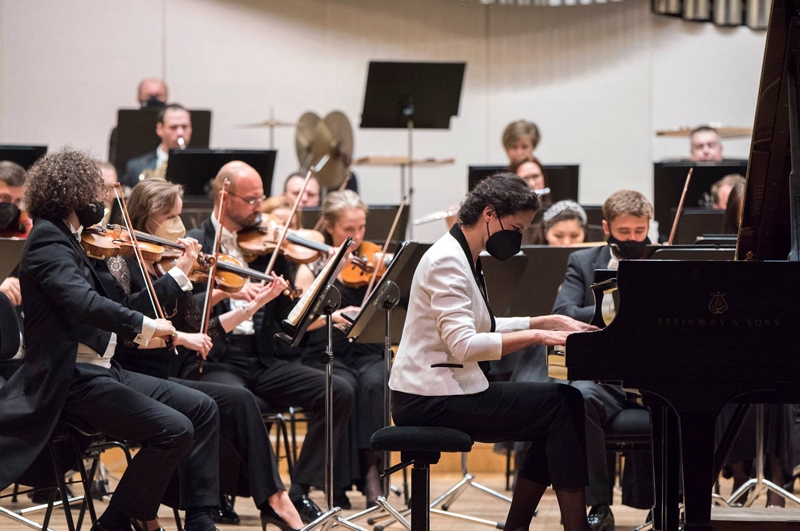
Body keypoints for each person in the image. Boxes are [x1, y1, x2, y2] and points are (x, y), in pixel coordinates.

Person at [0, 149, 221, 531]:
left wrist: (176, 282)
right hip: (69, 380)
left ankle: (199, 518)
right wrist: (148, 327)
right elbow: (84, 303)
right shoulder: (48, 241)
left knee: (202, 408)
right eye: (95, 192)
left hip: (103, 370)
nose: (101, 201)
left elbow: (121, 305)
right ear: (72, 195)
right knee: (174, 429)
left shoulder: (79, 241)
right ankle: (117, 522)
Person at [389, 172, 594, 531]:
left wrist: (548, 321)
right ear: (488, 214)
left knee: (561, 406)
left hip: (445, 389)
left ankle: (523, 526)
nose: (517, 238)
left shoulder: (464, 253)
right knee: (563, 404)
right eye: (515, 228)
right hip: (428, 397)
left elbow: (484, 325)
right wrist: (537, 336)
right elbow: (465, 345)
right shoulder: (447, 260)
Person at [107, 178, 304, 530]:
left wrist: (252, 306)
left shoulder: (163, 263)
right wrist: (181, 280)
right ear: (148, 217)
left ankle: (274, 499)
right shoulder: (122, 262)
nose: (179, 225)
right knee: (203, 408)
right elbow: (126, 328)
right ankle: (184, 513)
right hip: (129, 378)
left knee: (239, 400)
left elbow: (202, 328)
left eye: (180, 215)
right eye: (171, 216)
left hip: (165, 378)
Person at [183, 160, 355, 523]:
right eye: (251, 201)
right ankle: (244, 496)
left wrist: (309, 273)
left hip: (260, 358)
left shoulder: (267, 244)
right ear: (224, 196)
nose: (260, 209)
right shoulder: (194, 244)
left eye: (262, 199)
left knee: (337, 389)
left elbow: (285, 319)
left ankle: (300, 490)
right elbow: (185, 313)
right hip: (214, 357)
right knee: (236, 399)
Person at [552, 190, 656, 530]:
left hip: (653, 375)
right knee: (578, 397)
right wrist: (614, 306)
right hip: (603, 380)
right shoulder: (582, 262)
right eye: (624, 233)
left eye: (639, 231)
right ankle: (598, 505)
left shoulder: (663, 261)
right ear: (606, 227)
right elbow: (563, 313)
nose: (632, 239)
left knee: (690, 395)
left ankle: (668, 501)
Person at [292, 190, 386, 508]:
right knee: (344, 387)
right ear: (330, 226)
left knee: (374, 383)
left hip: (367, 350)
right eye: (349, 229)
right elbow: (300, 322)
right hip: (326, 350)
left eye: (361, 228)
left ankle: (373, 471)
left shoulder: (372, 261)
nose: (357, 237)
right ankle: (338, 481)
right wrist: (336, 315)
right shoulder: (310, 265)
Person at [122, 103, 192, 187]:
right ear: (160, 129)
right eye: (173, 127)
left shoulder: (198, 166)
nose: (180, 133)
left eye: (184, 127)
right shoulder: (136, 167)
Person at [108, 78, 168, 166]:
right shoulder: (121, 130)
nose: (153, 100)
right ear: (139, 98)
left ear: (166, 97)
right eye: (149, 96)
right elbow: (113, 165)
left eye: (158, 96)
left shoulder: (175, 129)